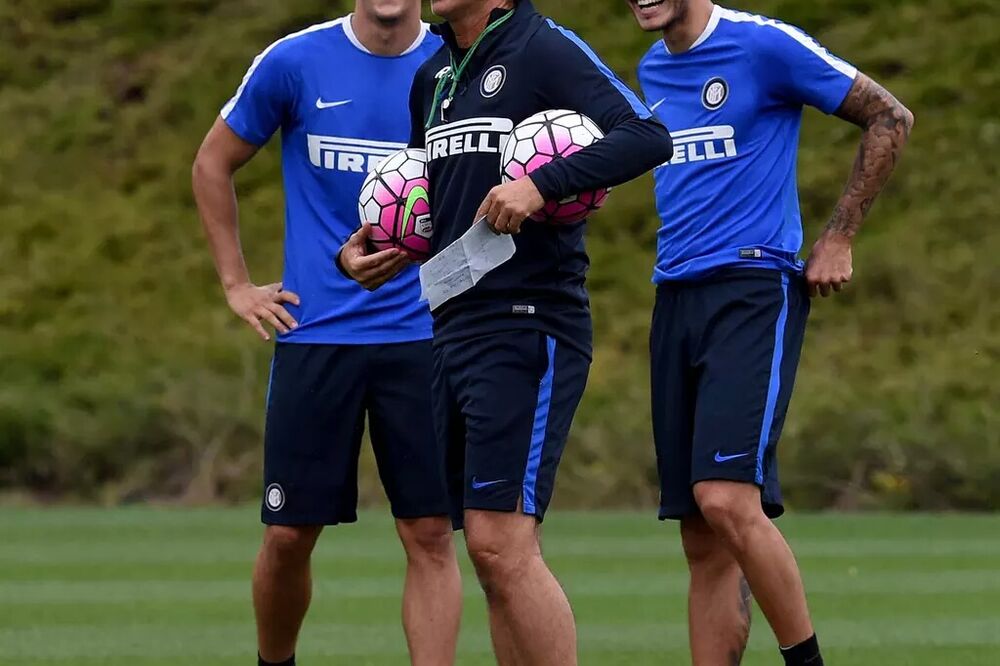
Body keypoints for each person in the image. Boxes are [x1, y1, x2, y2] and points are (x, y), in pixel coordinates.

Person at [341, 1, 673, 663]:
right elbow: (417, 190)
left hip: (528, 322)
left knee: (501, 542)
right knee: (488, 552)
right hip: (451, 325)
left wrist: (541, 186)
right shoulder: (432, 72)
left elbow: (646, 135)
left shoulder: (543, 47)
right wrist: (365, 245)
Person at [627, 0, 914, 664]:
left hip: (752, 290)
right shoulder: (652, 66)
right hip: (674, 297)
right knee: (700, 534)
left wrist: (839, 235)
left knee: (727, 498)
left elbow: (891, 114)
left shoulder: (763, 45)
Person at [191, 2, 463, 665]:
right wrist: (236, 284)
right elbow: (211, 163)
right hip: (316, 337)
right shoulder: (294, 62)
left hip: (423, 337)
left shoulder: (461, 66)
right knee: (288, 535)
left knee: (430, 534)